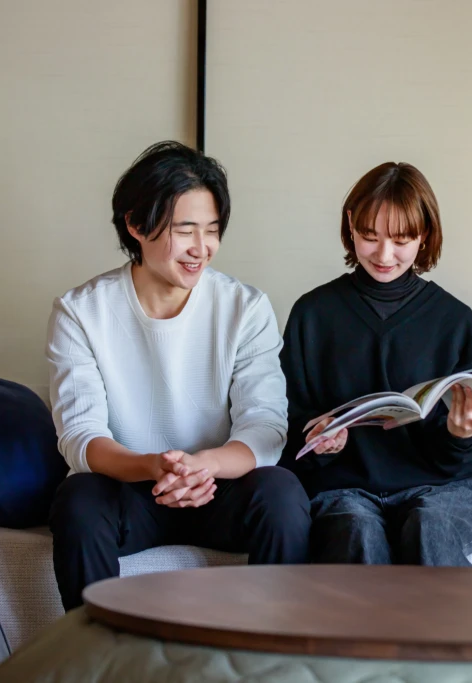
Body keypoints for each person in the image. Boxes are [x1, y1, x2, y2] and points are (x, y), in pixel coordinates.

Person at [46, 141, 310, 610]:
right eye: (184, 230)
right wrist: (154, 466)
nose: (200, 248)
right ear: (135, 224)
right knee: (77, 498)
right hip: (132, 489)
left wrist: (205, 464)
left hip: (219, 488)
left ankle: (267, 646)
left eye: (212, 230)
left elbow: (266, 425)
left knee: (282, 492)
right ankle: (98, 648)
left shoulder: (245, 308)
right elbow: (81, 436)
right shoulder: (81, 312)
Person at [279, 161, 472, 566]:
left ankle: (448, 614)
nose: (383, 255)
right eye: (369, 236)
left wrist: (460, 435)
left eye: (401, 240)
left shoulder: (454, 319)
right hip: (343, 490)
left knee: (429, 526)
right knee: (356, 530)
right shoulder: (312, 314)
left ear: (424, 234)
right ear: (350, 225)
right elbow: (286, 426)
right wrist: (321, 440)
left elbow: (469, 454)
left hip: (441, 490)